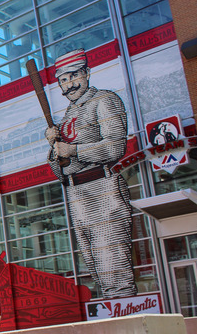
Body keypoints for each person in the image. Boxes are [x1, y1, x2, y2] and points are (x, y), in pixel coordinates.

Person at [45, 48, 138, 299]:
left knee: (113, 264)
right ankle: (114, 319)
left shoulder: (105, 100)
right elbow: (60, 170)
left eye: (73, 76)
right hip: (77, 194)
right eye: (62, 80)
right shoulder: (67, 116)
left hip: (103, 187)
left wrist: (72, 149)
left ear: (86, 73)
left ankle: (126, 319)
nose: (68, 84)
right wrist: (53, 147)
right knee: (95, 265)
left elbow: (115, 146)